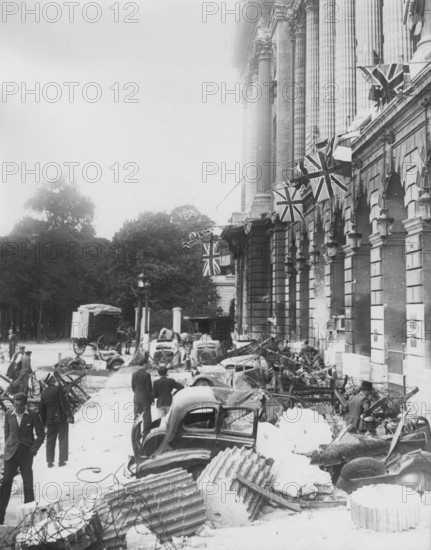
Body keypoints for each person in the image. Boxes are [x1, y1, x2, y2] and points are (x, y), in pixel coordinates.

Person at [0, 392, 45, 524]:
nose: (17, 408)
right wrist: (7, 448)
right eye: (15, 405)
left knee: (28, 482)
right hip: (11, 453)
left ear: (25, 405)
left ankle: (30, 516)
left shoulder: (33, 415)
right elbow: (7, 433)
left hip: (26, 453)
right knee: (6, 482)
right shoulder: (9, 414)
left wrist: (33, 449)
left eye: (20, 406)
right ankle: (0, 515)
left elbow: (41, 435)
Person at [39, 374, 71, 468]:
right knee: (63, 439)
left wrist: (44, 422)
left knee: (50, 440)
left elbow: (42, 410)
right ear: (52, 380)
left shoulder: (43, 393)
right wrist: (69, 415)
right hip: (61, 419)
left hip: (50, 420)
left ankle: (49, 462)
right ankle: (61, 461)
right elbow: (63, 403)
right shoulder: (58, 389)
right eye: (53, 378)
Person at [131, 361, 152, 433]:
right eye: (147, 364)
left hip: (136, 396)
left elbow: (133, 386)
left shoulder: (134, 374)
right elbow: (149, 388)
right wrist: (151, 398)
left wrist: (136, 393)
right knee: (146, 415)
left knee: (137, 415)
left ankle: (136, 433)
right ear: (144, 364)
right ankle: (146, 432)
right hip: (145, 397)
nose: (147, 365)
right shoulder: (147, 374)